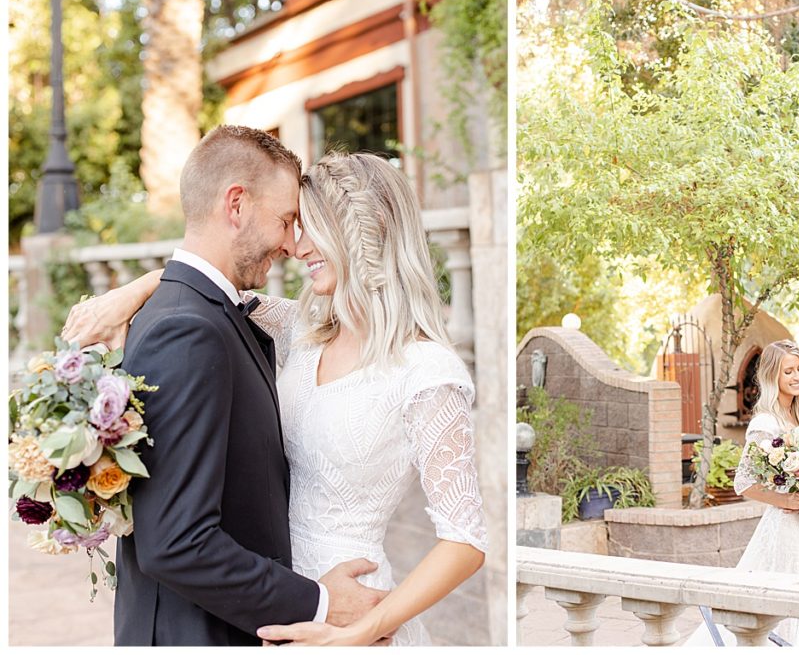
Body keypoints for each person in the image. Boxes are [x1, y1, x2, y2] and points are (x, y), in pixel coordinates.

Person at [64, 131, 486, 645]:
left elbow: (465, 539)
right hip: (277, 595)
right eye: (292, 223)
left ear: (367, 229)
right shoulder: (300, 332)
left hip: (353, 608)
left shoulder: (427, 369)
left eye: (309, 226)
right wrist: (135, 288)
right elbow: (206, 287)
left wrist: (360, 630)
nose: (295, 246)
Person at [684, 340, 799, 647]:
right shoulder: (765, 422)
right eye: (787, 371)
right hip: (784, 525)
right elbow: (744, 482)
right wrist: (786, 499)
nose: (796, 376)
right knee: (781, 598)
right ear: (772, 377)